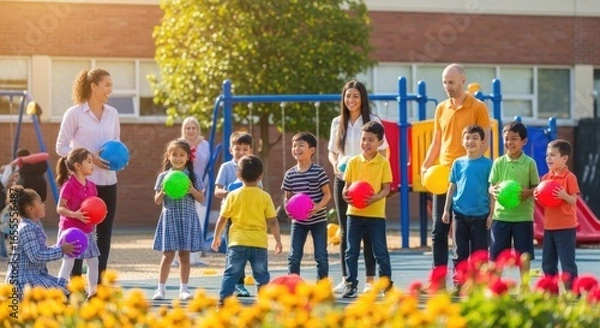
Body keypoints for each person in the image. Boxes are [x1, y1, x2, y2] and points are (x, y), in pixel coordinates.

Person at [421, 63, 491, 289]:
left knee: (472, 234)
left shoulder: (478, 107)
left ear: (463, 80)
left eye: (451, 82)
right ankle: (438, 279)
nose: (447, 86)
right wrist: (425, 165)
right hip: (443, 176)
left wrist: (470, 166)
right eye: (444, 82)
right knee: (438, 230)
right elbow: (437, 141)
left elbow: (485, 142)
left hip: (468, 176)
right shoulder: (441, 108)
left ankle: (474, 281)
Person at [55, 68, 121, 283]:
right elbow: (60, 147)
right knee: (79, 232)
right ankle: (75, 283)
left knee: (104, 235)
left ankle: (98, 285)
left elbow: (116, 145)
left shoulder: (113, 114)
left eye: (111, 85)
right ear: (93, 86)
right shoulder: (74, 113)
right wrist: (88, 156)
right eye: (107, 85)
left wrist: (120, 159)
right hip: (82, 186)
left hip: (108, 182)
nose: (110, 89)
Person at [328, 79, 389, 294]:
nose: (351, 100)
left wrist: (378, 177)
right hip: (345, 180)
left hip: (368, 182)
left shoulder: (373, 120)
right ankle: (347, 279)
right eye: (347, 96)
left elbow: (383, 151)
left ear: (362, 98)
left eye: (355, 96)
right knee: (346, 230)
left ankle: (370, 279)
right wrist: (336, 165)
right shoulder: (337, 122)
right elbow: (332, 151)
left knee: (369, 232)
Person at [211, 155, 282, 306]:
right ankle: (264, 305)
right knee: (262, 276)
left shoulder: (232, 195)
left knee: (231, 274)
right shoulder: (265, 196)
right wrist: (278, 241)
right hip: (259, 243)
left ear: (238, 175)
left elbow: (222, 218)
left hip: (237, 242)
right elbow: (272, 221)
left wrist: (216, 237)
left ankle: (222, 304)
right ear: (260, 176)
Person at [341, 121, 393, 298]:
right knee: (351, 251)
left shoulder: (384, 163)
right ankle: (350, 284)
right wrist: (345, 194)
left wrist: (376, 198)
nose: (366, 143)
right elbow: (347, 187)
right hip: (354, 214)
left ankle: (386, 284)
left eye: (371, 140)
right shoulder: (353, 162)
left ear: (380, 142)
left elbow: (386, 188)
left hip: (375, 215)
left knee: (380, 251)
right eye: (363, 139)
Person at [152, 139, 205, 300]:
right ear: (168, 156)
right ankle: (160, 289)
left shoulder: (193, 176)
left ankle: (184, 289)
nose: (178, 158)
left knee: (184, 255)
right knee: (167, 255)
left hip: (187, 218)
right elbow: (157, 200)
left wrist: (192, 190)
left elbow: (201, 198)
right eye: (174, 154)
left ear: (188, 157)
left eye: (182, 155)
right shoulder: (163, 177)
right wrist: (162, 192)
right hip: (170, 218)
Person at [442, 125, 494, 288]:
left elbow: (492, 191)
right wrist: (446, 210)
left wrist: (491, 214)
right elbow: (452, 188)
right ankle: (460, 283)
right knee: (459, 251)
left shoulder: (488, 164)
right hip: (459, 214)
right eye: (467, 138)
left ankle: (480, 284)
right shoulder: (457, 163)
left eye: (475, 138)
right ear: (462, 141)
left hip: (481, 215)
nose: (470, 141)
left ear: (482, 142)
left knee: (480, 252)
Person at [489, 121, 539, 285]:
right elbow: (492, 185)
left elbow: (537, 187)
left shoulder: (530, 163)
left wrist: (529, 192)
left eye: (514, 139)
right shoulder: (498, 162)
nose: (509, 142)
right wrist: (492, 191)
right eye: (506, 139)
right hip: (501, 216)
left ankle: (524, 287)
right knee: (497, 255)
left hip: (523, 217)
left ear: (523, 141)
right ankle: (496, 286)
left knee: (523, 255)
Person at [4, 185, 77, 299]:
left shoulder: (33, 225)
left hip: (34, 276)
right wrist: (61, 250)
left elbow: (41, 251)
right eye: (40, 202)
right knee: (64, 296)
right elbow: (36, 256)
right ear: (30, 209)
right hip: (23, 281)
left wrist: (59, 247)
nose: (44, 205)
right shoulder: (26, 228)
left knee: (68, 290)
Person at [282, 132, 331, 280]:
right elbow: (287, 197)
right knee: (294, 256)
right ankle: (293, 283)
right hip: (298, 222)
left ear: (312, 150)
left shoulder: (318, 172)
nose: (296, 148)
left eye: (301, 145)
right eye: (294, 145)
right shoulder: (290, 174)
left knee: (321, 255)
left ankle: (322, 285)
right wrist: (287, 208)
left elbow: (327, 195)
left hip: (318, 220)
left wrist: (317, 206)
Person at [214, 131, 257, 297]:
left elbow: (258, 189)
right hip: (231, 215)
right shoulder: (226, 167)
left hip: (248, 215)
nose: (241, 152)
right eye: (237, 148)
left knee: (248, 251)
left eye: (245, 149)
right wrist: (229, 192)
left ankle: (247, 281)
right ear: (231, 150)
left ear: (250, 150)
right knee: (233, 251)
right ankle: (235, 284)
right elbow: (217, 190)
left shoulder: (254, 166)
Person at [55, 148, 102, 298]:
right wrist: (74, 214)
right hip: (71, 230)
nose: (92, 164)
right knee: (68, 262)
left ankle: (93, 292)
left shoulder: (92, 186)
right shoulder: (69, 185)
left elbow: (94, 207)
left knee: (93, 261)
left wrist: (100, 215)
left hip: (87, 230)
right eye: (89, 161)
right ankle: (60, 290)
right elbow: (60, 208)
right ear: (77, 166)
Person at [534, 139, 579, 290]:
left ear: (564, 158)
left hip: (566, 227)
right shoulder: (545, 179)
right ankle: (551, 291)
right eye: (547, 155)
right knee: (548, 262)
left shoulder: (569, 177)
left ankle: (573, 291)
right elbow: (546, 203)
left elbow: (573, 200)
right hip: (549, 227)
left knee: (567, 262)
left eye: (553, 155)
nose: (548, 158)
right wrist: (537, 197)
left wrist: (564, 195)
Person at [177, 116, 211, 267]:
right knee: (181, 223)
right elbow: (182, 162)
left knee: (199, 222)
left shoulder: (204, 144)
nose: (190, 131)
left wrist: (196, 146)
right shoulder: (179, 144)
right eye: (187, 128)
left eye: (193, 128)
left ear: (198, 129)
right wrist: (191, 147)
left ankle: (195, 258)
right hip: (181, 189)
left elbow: (203, 161)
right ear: (183, 130)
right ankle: (178, 259)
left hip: (200, 187)